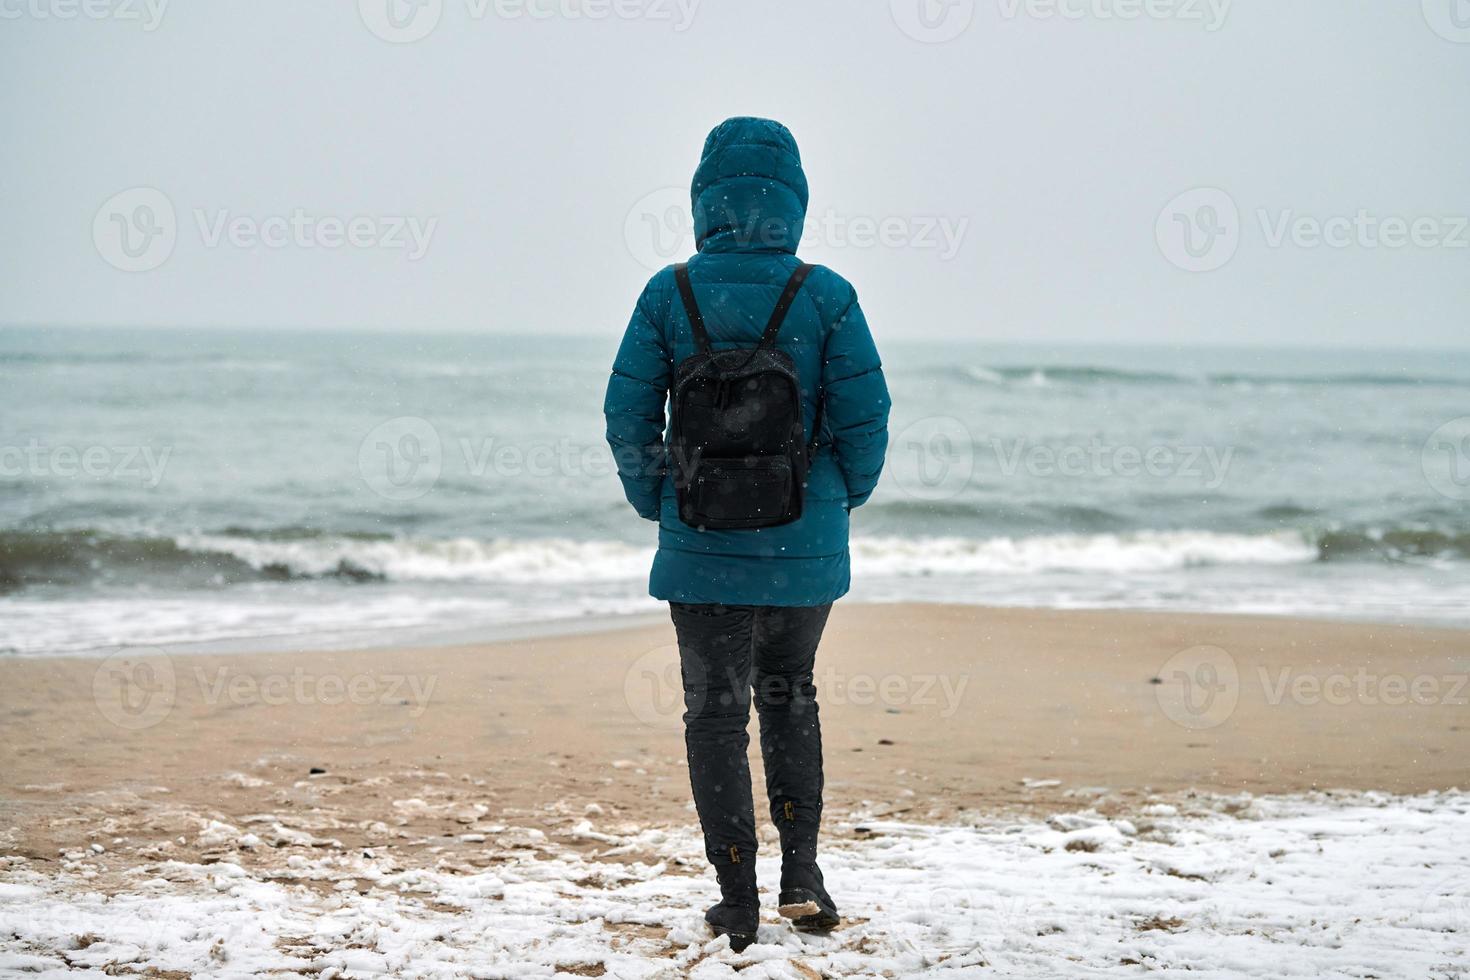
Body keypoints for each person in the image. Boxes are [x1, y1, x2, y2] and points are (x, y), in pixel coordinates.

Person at [603, 116, 890, 951]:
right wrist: (841, 498)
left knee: (715, 714)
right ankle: (802, 875)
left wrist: (659, 498)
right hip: (805, 537)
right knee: (789, 691)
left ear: (704, 201)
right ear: (792, 202)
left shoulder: (669, 293)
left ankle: (736, 899)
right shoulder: (826, 294)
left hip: (699, 540)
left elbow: (626, 415)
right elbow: (867, 418)